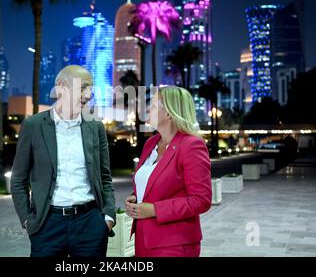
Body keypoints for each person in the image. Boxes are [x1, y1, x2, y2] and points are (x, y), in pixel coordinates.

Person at [11, 65, 116, 257]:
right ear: (61, 87)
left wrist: (107, 218)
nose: (88, 94)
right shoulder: (33, 125)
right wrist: (28, 220)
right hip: (47, 225)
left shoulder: (95, 127)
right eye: (83, 87)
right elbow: (18, 180)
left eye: (90, 88)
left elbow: (105, 177)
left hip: (90, 224)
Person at [125, 86, 211, 257]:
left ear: (169, 113)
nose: (148, 109)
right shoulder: (151, 143)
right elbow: (153, 185)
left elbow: (201, 200)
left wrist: (155, 209)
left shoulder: (191, 145)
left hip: (175, 243)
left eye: (154, 105)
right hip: (143, 239)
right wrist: (136, 198)